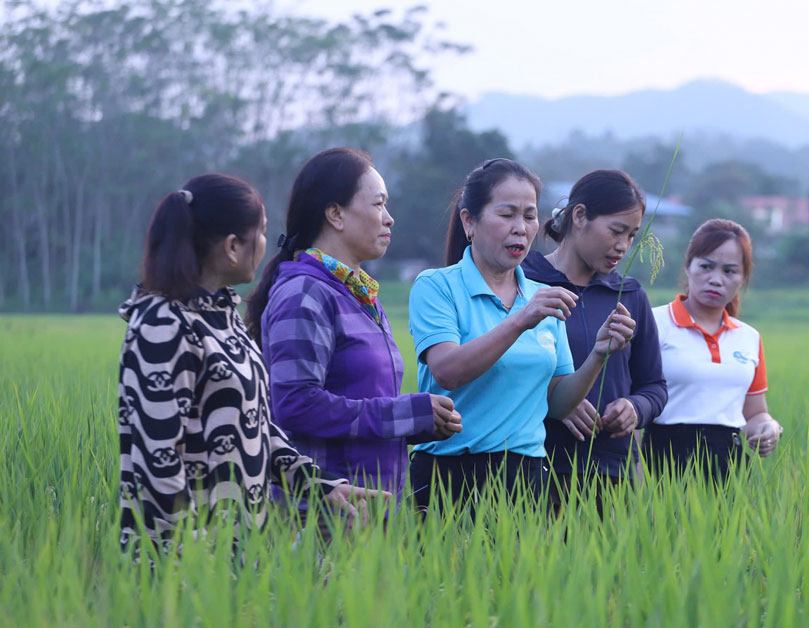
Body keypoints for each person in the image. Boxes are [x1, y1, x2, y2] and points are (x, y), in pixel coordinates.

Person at [118, 174, 383, 554]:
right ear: (231, 247)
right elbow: (157, 460)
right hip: (178, 563)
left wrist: (321, 484)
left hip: (236, 551)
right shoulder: (163, 325)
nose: (264, 245)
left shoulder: (223, 316)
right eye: (260, 233)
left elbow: (255, 427)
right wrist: (191, 559)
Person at [407, 158, 636, 512]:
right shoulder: (437, 287)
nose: (521, 228)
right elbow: (448, 371)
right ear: (470, 221)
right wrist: (520, 320)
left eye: (529, 216)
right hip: (448, 474)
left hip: (525, 477)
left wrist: (598, 354)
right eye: (507, 214)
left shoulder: (542, 297)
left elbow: (558, 403)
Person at [244, 148, 461, 515]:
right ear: (335, 214)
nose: (389, 219)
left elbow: (359, 401)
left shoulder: (358, 293)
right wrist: (406, 414)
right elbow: (295, 405)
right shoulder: (304, 293)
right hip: (320, 512)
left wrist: (419, 423)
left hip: (369, 509)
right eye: (378, 205)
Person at [521, 169, 667, 511]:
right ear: (580, 216)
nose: (623, 246)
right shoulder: (525, 284)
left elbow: (655, 387)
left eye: (632, 236)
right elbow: (497, 372)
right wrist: (556, 399)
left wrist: (634, 408)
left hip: (612, 474)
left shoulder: (629, 296)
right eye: (616, 231)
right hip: (534, 467)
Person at [647, 218, 783, 482]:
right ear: (688, 267)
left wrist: (769, 427)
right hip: (661, 461)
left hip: (729, 467)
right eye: (706, 267)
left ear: (743, 278)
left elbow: (754, 413)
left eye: (730, 271)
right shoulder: (653, 324)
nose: (716, 279)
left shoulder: (748, 338)